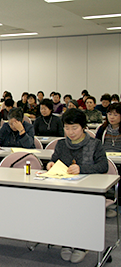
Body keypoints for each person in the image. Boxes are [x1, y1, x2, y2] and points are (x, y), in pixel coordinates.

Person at [47, 108, 107, 264]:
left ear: (83, 127)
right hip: (65, 188)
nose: (70, 132)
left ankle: (82, 244)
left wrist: (82, 168)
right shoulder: (61, 144)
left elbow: (103, 166)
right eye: (67, 128)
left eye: (75, 128)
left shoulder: (95, 144)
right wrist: (51, 165)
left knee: (80, 206)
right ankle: (67, 240)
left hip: (88, 189)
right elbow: (54, 160)